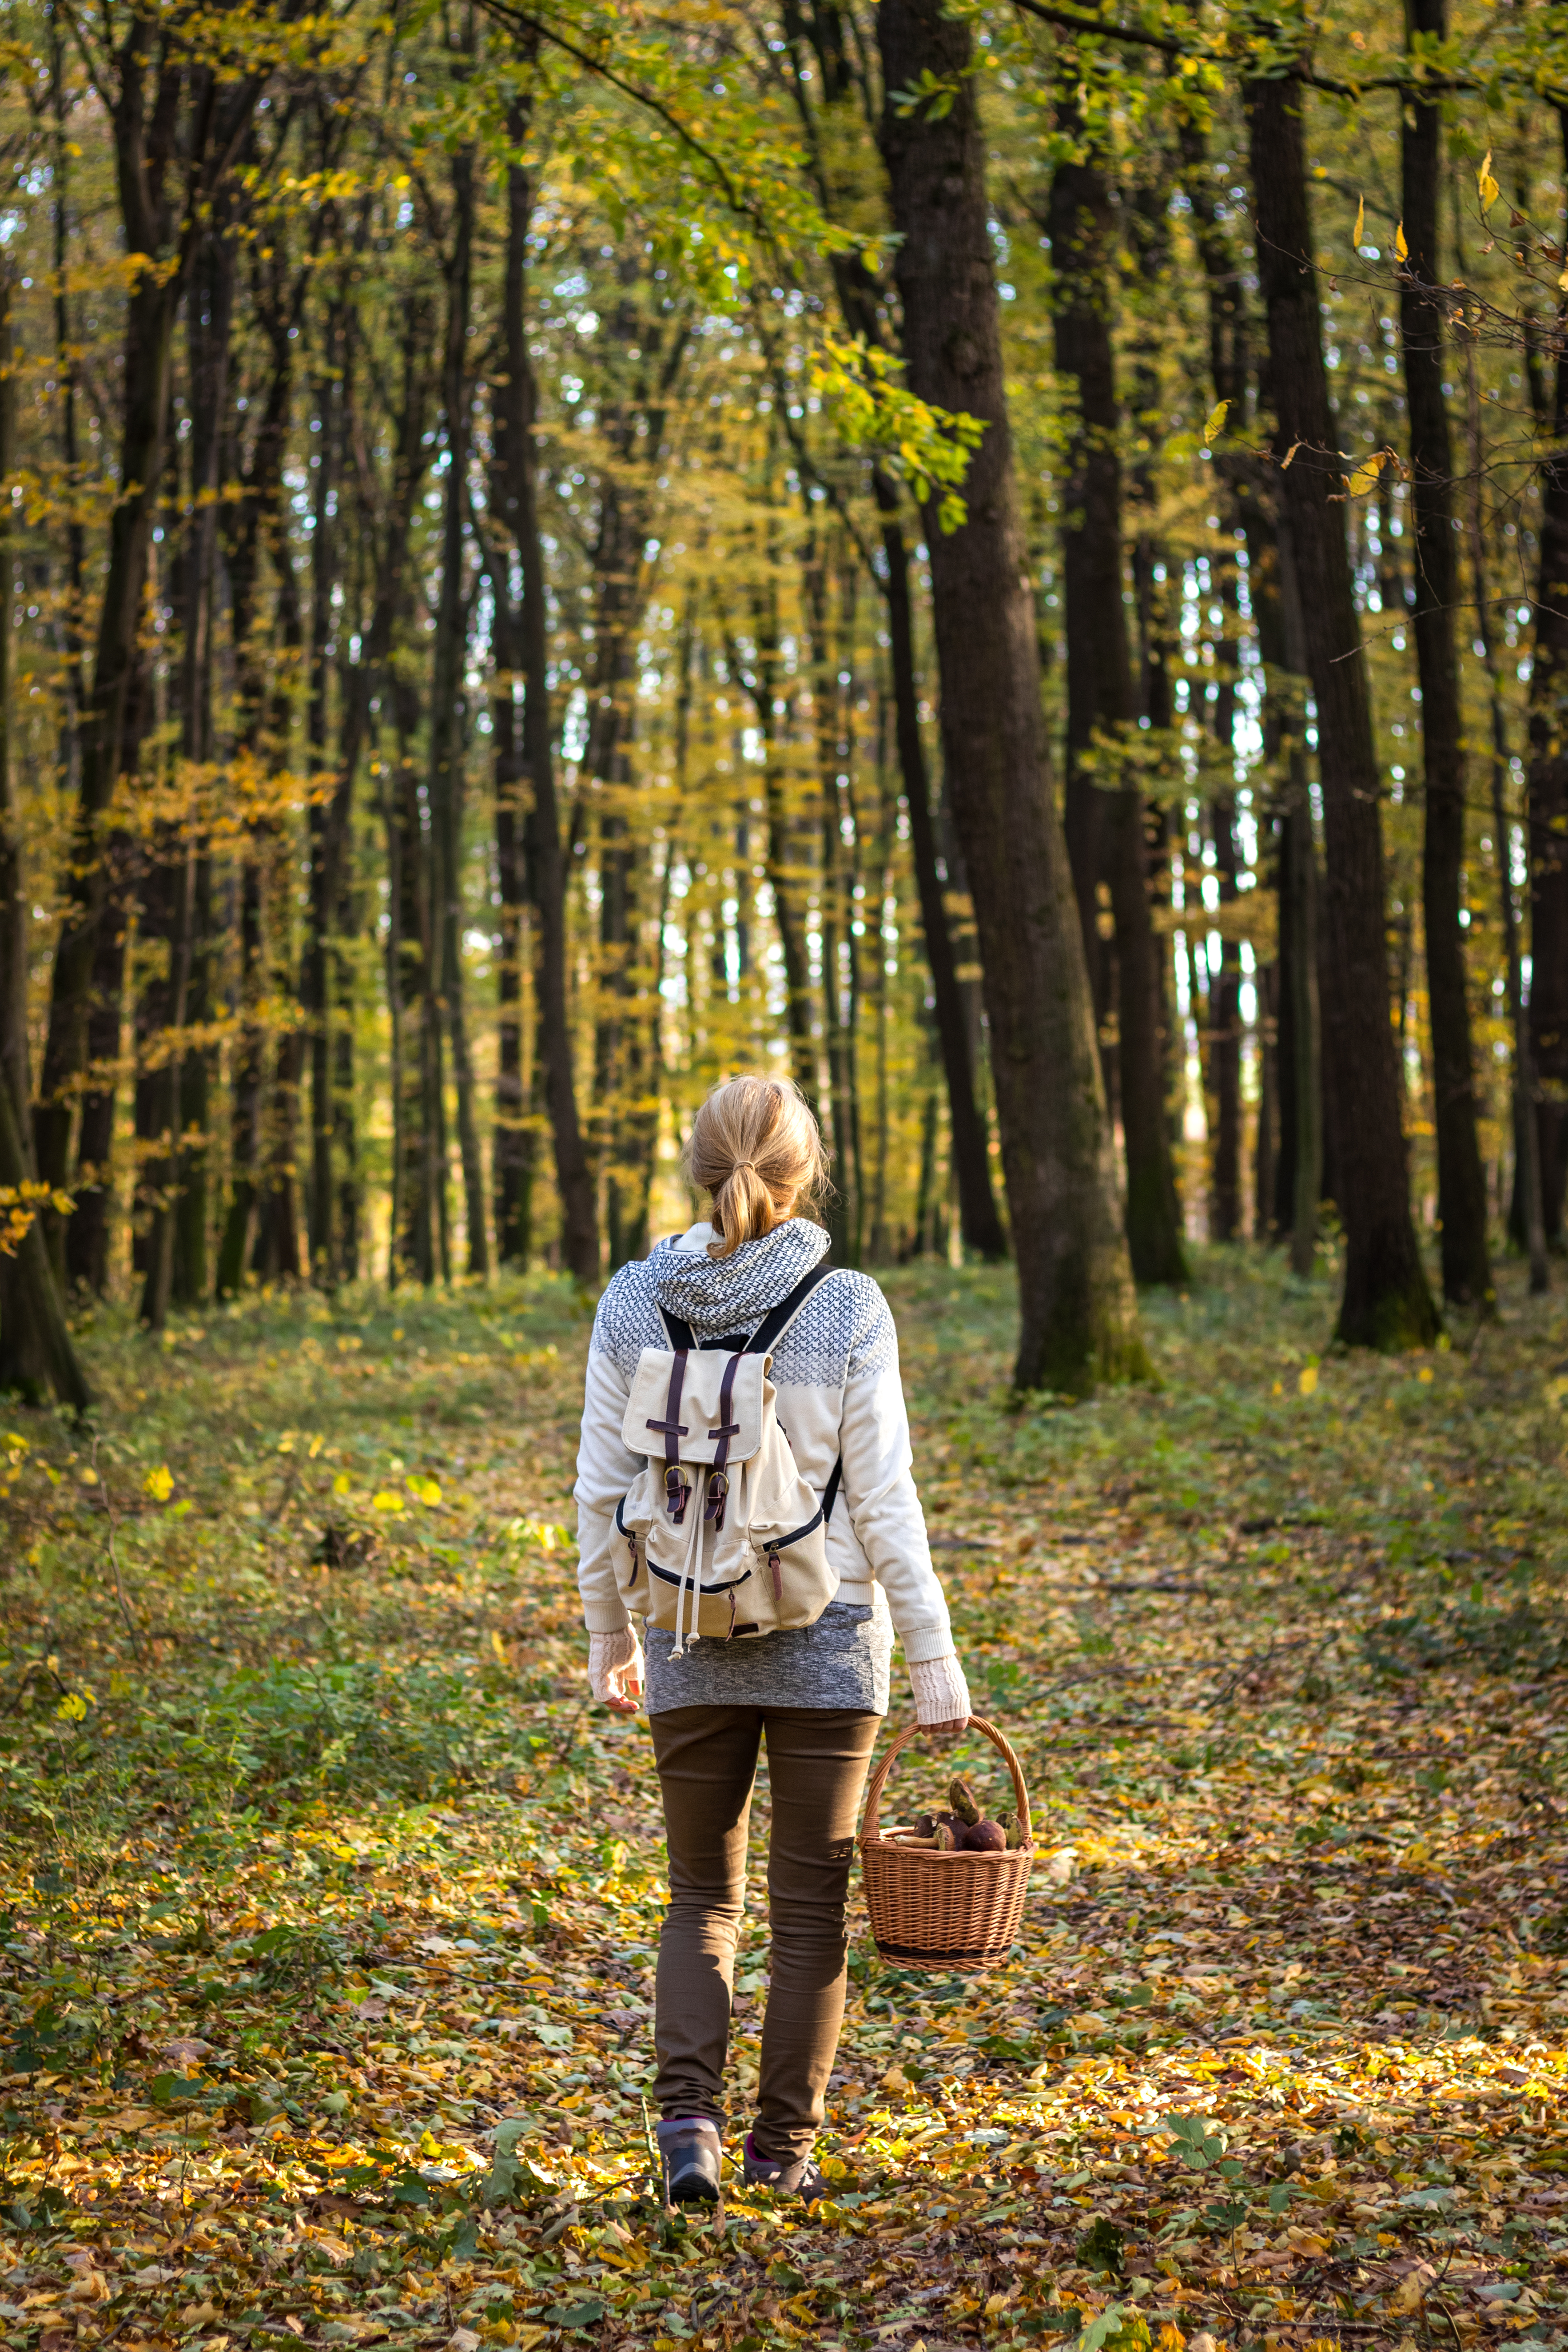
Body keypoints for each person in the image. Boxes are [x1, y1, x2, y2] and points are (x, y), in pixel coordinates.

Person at [573, 1074, 972, 2205]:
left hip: (687, 1626)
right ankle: (782, 2151)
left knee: (701, 1894)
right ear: (806, 1171)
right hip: (832, 1631)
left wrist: (613, 1627)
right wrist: (934, 1651)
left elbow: (601, 1486)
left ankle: (687, 2127)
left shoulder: (632, 1298)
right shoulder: (848, 1304)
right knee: (807, 1909)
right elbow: (885, 1496)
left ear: (699, 1166)